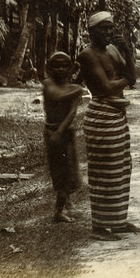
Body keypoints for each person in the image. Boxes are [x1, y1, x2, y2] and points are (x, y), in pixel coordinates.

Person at [78, 11, 140, 240]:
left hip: (116, 115)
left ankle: (117, 221)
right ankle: (99, 226)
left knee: (121, 169)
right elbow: (107, 87)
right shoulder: (87, 55)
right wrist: (126, 76)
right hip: (101, 115)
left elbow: (133, 79)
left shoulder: (113, 50)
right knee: (103, 171)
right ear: (91, 31)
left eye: (110, 28)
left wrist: (127, 52)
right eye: (103, 28)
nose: (108, 32)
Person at [42, 52, 84, 223]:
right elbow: (55, 96)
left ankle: (65, 202)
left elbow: (72, 112)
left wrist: (61, 132)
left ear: (71, 68)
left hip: (65, 133)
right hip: (52, 133)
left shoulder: (73, 89)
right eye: (56, 66)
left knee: (70, 171)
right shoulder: (48, 84)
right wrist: (78, 89)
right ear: (49, 68)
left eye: (64, 66)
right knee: (59, 172)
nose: (60, 69)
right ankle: (58, 211)